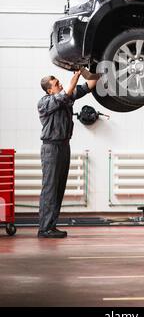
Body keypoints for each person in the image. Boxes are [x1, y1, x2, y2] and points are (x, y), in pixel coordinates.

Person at [37, 71, 98, 238]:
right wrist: (76, 76)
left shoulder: (67, 97)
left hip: (64, 146)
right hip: (51, 148)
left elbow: (92, 82)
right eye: (56, 84)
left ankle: (51, 225)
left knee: (58, 188)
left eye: (59, 82)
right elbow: (65, 93)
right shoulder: (45, 102)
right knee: (50, 188)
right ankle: (44, 229)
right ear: (49, 90)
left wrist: (84, 70)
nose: (61, 85)